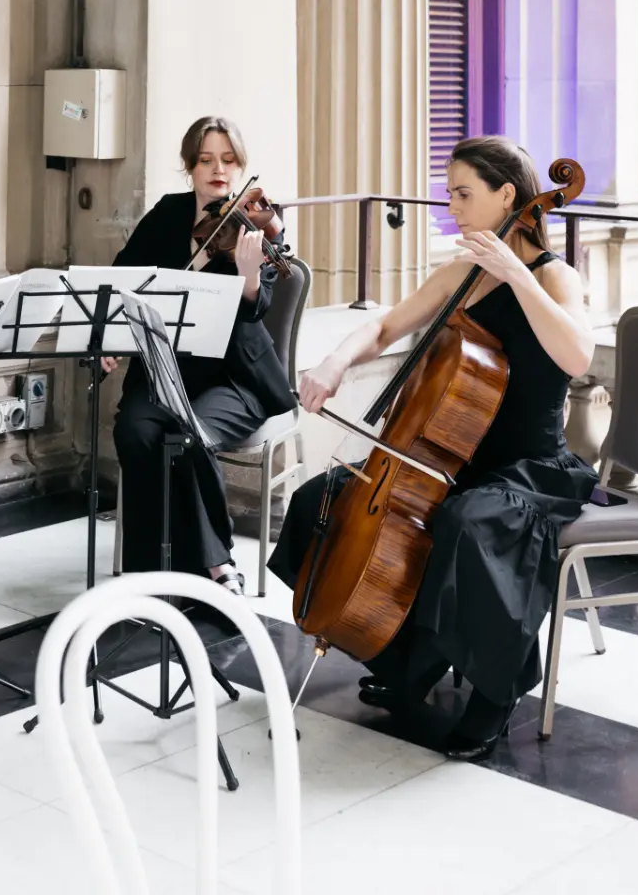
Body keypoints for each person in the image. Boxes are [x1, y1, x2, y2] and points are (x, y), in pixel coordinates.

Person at [269, 134, 596, 761]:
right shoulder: (458, 273)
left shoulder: (555, 277)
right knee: (322, 499)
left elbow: (577, 356)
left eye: (464, 194)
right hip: (451, 457)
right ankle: (408, 656)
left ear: (508, 196)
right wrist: (333, 363)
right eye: (449, 194)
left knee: (470, 524)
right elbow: (385, 325)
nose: (453, 208)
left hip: (529, 470)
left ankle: (494, 694)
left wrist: (513, 275)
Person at [110, 116, 296, 597]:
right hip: (165, 371)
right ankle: (150, 568)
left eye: (229, 161)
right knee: (134, 430)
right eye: (207, 160)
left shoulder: (255, 226)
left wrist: (250, 274)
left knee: (189, 435)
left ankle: (217, 566)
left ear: (241, 167)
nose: (219, 171)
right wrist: (112, 338)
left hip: (234, 379)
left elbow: (258, 310)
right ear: (190, 166)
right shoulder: (169, 214)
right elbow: (123, 276)